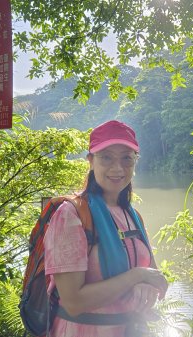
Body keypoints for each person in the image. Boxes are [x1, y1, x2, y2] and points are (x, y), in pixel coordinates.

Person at [43, 120, 169, 337]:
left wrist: (146, 285)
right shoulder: (71, 215)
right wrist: (136, 277)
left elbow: (153, 275)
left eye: (126, 158)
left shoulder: (132, 215)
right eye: (107, 157)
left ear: (135, 162)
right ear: (90, 161)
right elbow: (73, 301)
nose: (117, 168)